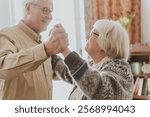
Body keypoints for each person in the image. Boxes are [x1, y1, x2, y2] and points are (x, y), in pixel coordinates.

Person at [0, 0, 68, 99]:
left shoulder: (42, 46)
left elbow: (65, 73)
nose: (50, 17)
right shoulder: (6, 35)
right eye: (45, 10)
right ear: (28, 8)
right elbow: (2, 68)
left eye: (51, 12)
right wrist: (45, 49)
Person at [52, 19, 134, 100]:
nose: (87, 37)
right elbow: (65, 71)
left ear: (107, 41)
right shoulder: (92, 66)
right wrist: (46, 46)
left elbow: (101, 91)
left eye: (93, 33)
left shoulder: (121, 70)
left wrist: (65, 50)